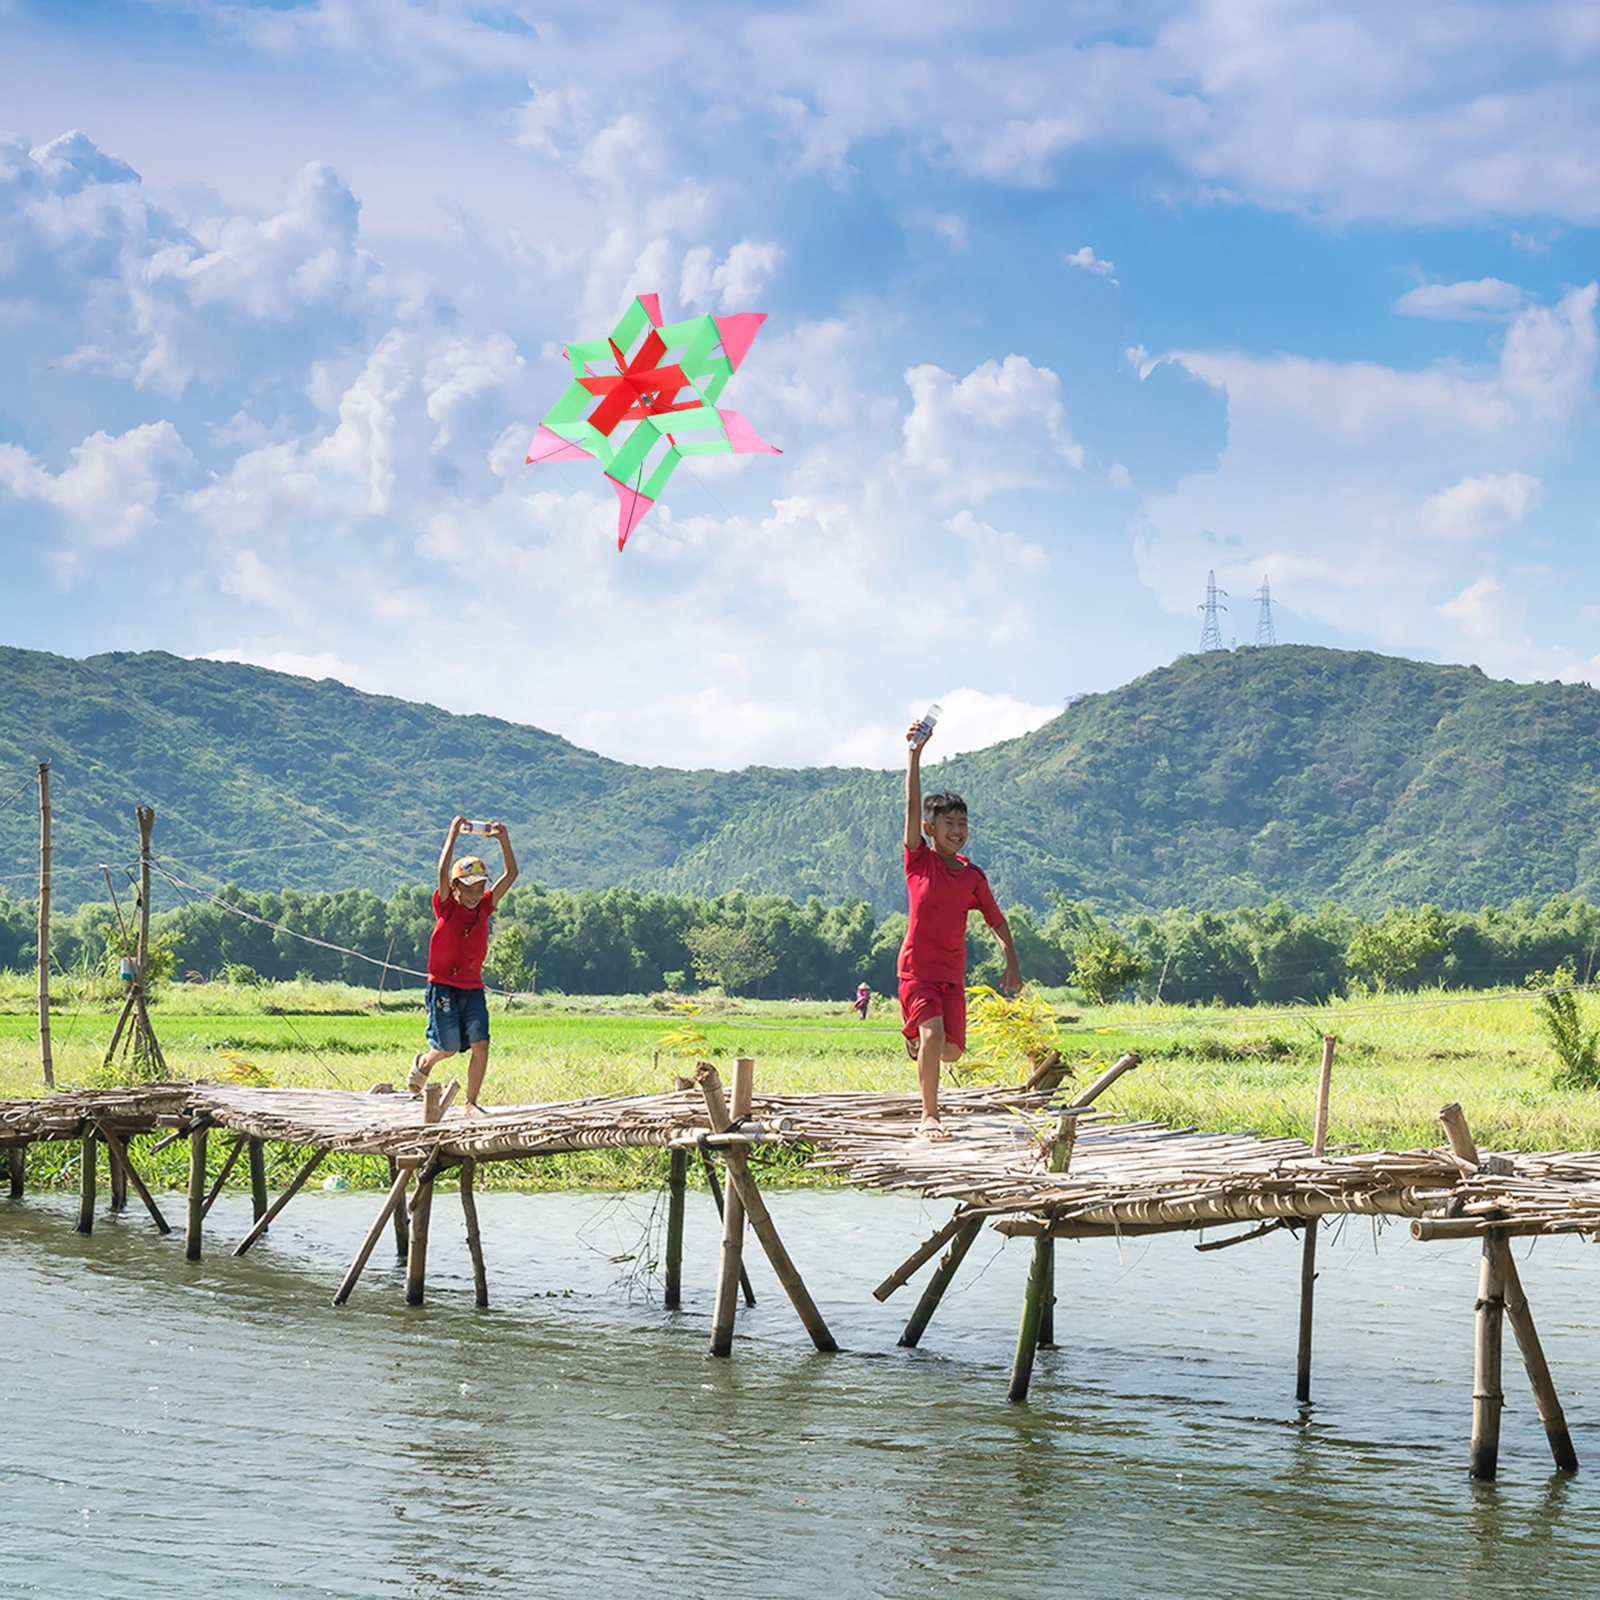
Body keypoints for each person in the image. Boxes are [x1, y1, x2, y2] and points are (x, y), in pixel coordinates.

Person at [899, 719, 1021, 1139]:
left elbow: (997, 921)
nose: (957, 831)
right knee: (934, 1034)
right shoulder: (919, 861)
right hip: (916, 971)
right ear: (930, 830)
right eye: (948, 823)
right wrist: (915, 754)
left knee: (950, 1051)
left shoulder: (973, 877)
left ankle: (915, 1039)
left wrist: (1012, 962)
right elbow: (912, 806)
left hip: (952, 973)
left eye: (963, 825)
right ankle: (929, 1116)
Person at [408, 817, 517, 1113]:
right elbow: (442, 871)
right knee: (448, 1047)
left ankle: (471, 1101)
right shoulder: (447, 905)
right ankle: (425, 1062)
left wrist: (503, 841)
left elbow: (511, 874)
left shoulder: (484, 906)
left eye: (478, 888)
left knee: (481, 1044)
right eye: (467, 889)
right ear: (456, 888)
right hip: (443, 985)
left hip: (472, 987)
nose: (472, 895)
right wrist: (452, 834)